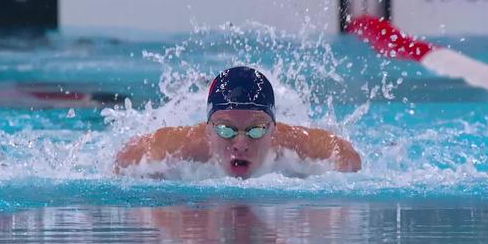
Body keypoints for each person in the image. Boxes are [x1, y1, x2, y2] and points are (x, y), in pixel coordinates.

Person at [115, 66, 361, 178]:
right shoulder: (183, 146)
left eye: (255, 130)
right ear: (208, 129)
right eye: (225, 129)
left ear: (273, 130)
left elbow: (347, 156)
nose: (240, 143)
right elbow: (125, 158)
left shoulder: (294, 145)